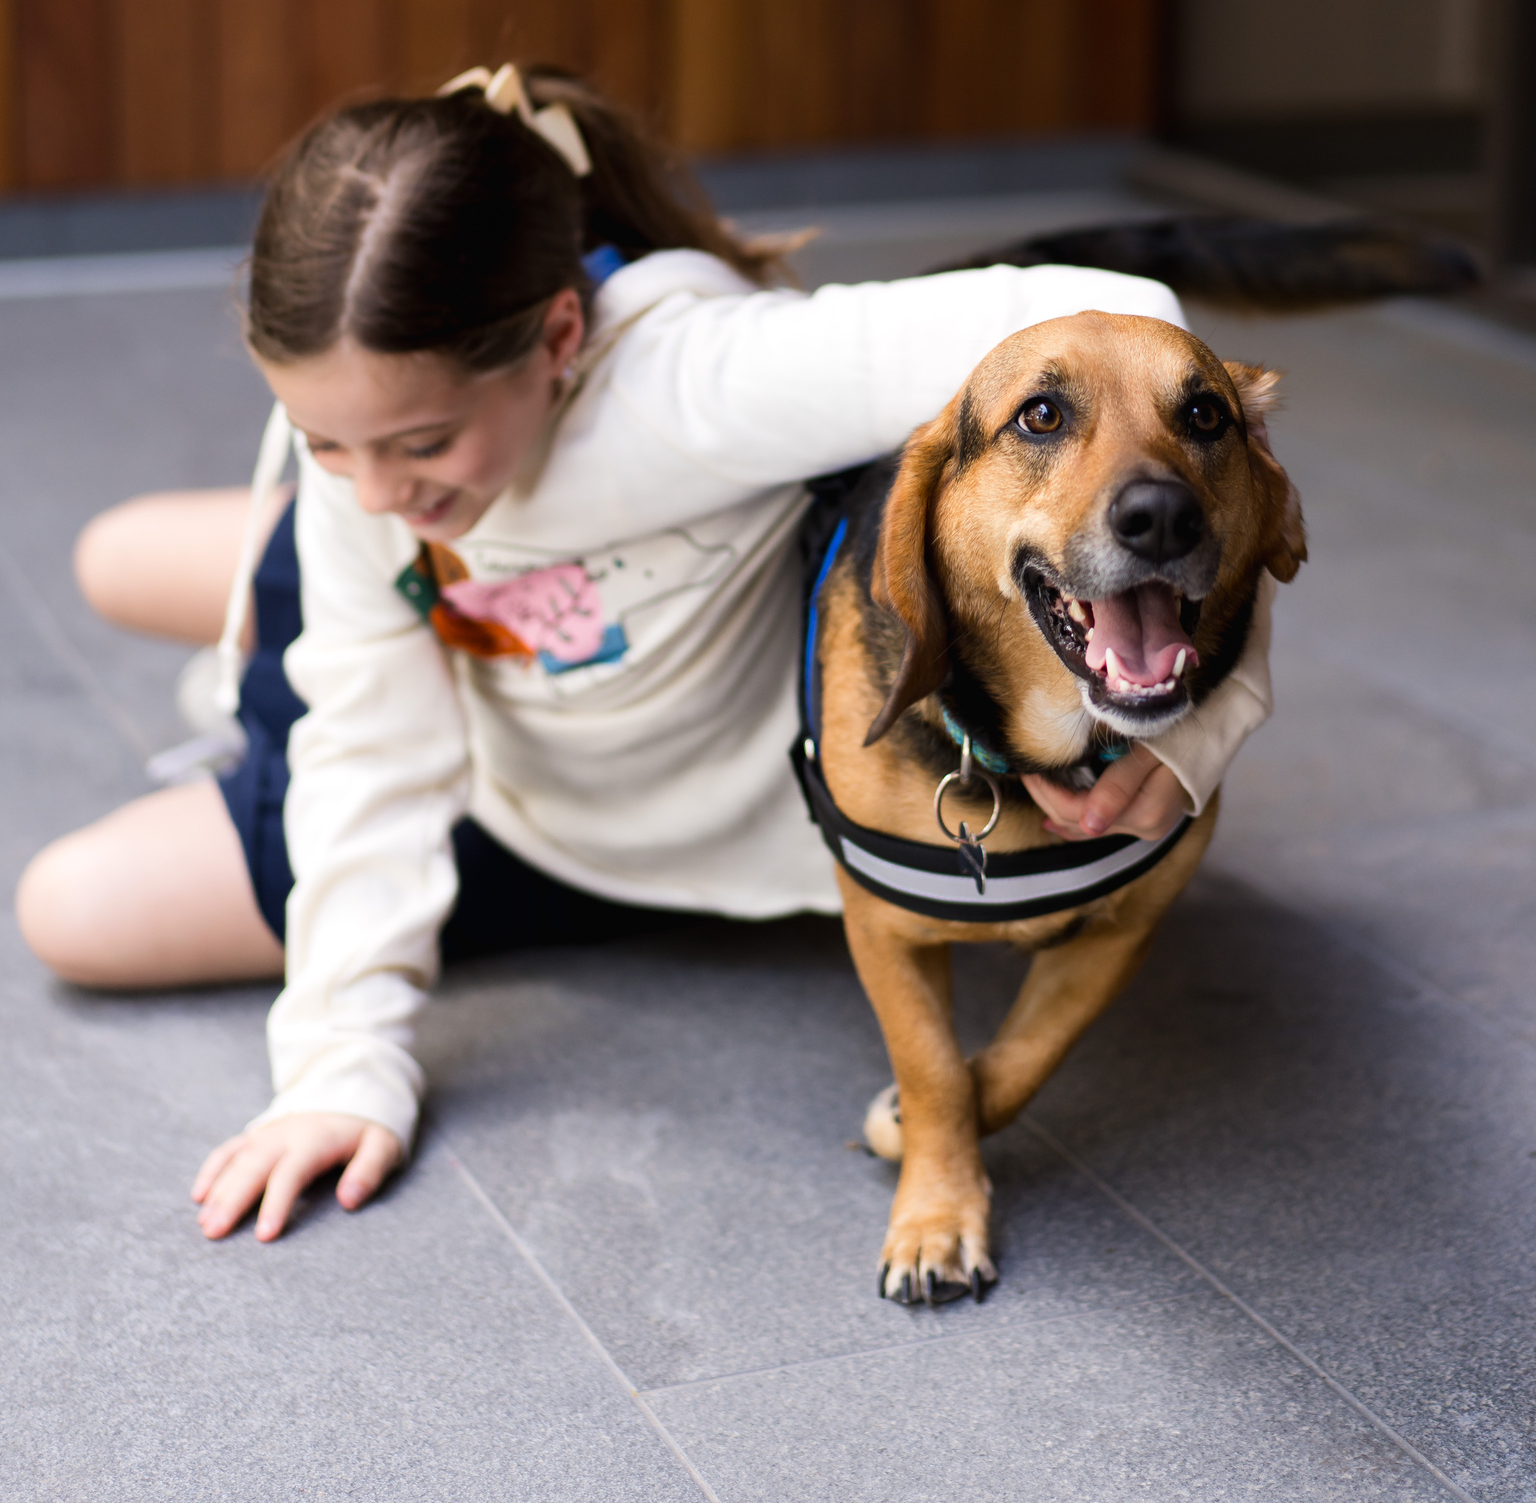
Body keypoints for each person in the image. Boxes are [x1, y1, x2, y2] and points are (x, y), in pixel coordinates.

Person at [15, 64, 1274, 1244]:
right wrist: (341, 1066)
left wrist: (1208, 720)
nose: (373, 487)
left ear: (562, 339)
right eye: (324, 441)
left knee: (72, 911)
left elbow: (1146, 345)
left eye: (419, 439)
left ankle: (281, 638)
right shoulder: (369, 488)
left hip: (600, 801)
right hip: (495, 706)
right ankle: (279, 629)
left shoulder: (696, 382)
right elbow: (369, 752)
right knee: (124, 559)